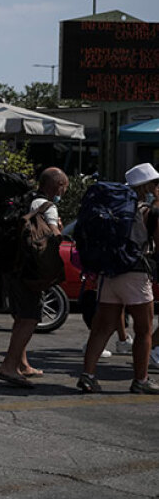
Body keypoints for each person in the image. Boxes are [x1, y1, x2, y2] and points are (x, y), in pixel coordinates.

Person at [78, 163, 159, 395]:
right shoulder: (147, 210)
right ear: (147, 186)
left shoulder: (113, 205)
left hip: (108, 272)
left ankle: (88, 376)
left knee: (101, 328)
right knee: (144, 329)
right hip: (135, 273)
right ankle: (141, 380)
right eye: (155, 183)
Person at [0, 167, 68, 388]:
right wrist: (60, 229)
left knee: (21, 317)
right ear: (57, 186)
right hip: (29, 270)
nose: (63, 192)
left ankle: (22, 364)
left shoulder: (26, 200)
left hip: (13, 266)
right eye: (64, 187)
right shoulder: (47, 207)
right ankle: (8, 366)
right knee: (30, 317)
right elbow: (54, 236)